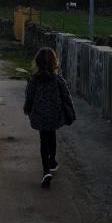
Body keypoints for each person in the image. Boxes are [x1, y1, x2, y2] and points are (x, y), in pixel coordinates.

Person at [23, 47, 76, 188]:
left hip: (40, 115)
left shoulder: (33, 80)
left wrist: (27, 109)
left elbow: (29, 97)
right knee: (52, 135)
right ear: (54, 62)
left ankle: (46, 170)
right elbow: (66, 97)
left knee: (43, 140)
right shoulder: (58, 80)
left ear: (37, 62)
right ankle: (52, 160)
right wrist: (71, 113)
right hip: (54, 114)